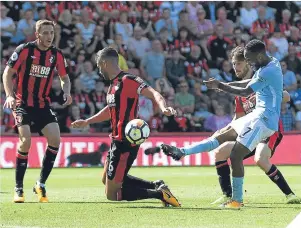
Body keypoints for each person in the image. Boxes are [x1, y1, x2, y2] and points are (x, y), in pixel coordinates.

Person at [161, 40, 286, 208]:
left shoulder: (269, 70)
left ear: (259, 55)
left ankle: (237, 201)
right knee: (222, 133)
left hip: (265, 120)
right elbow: (246, 84)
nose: (248, 62)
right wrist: (222, 86)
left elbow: (246, 91)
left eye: (249, 59)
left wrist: (221, 85)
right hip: (257, 115)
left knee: (235, 155)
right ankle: (182, 152)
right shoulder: (268, 62)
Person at [71, 47, 180, 207]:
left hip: (126, 142)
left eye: (99, 66)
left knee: (112, 194)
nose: (99, 70)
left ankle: (159, 194)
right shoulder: (112, 85)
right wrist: (88, 121)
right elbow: (110, 110)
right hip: (116, 140)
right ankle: (157, 185)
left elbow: (154, 93)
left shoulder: (129, 80)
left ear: (105, 63)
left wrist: (163, 108)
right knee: (105, 179)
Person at [3, 20, 72, 203]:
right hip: (22, 103)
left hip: (42, 104)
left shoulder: (56, 55)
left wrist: (66, 91)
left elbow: (64, 77)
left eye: (52, 33)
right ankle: (18, 188)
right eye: (46, 33)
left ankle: (40, 184)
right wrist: (9, 95)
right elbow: (7, 73)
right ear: (38, 34)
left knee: (56, 139)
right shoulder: (25, 50)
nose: (50, 36)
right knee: (26, 141)